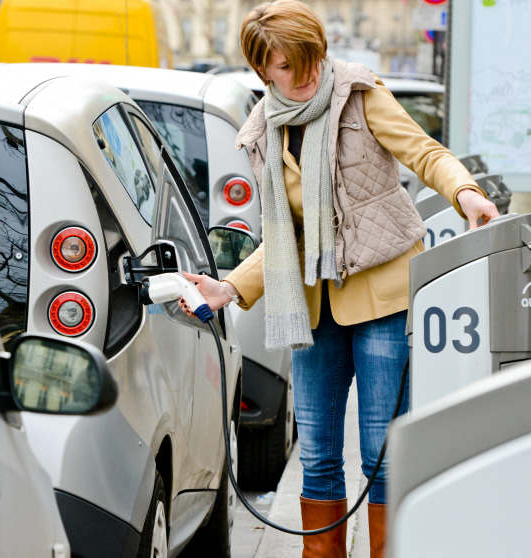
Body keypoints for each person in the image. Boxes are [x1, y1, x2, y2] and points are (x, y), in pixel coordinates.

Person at [182, 2, 500, 557]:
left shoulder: (359, 94)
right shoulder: (262, 133)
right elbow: (287, 236)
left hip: (383, 296)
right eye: (287, 65)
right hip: (311, 308)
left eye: (310, 59)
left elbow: (423, 153)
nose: (304, 74)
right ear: (264, 71)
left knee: (383, 448)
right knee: (319, 456)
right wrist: (228, 287)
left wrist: (465, 192)